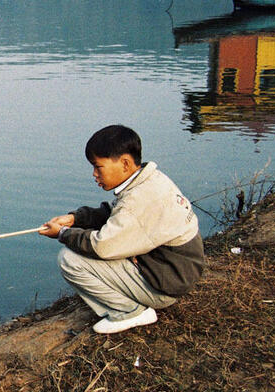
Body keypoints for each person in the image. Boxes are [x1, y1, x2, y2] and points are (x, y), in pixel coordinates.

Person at [39, 125, 205, 334]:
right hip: (173, 271)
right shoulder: (148, 180)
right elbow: (116, 215)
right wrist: (76, 219)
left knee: (70, 260)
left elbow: (101, 246)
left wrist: (62, 234)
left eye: (98, 167)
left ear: (125, 163)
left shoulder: (138, 200)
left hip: (167, 284)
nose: (94, 174)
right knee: (96, 249)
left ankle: (129, 312)